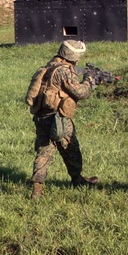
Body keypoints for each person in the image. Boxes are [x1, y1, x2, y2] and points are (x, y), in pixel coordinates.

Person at [25, 40, 100, 199]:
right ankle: (77, 180)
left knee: (43, 153)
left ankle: (37, 191)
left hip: (42, 117)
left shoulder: (47, 67)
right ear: (74, 55)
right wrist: (89, 81)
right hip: (58, 118)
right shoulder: (64, 71)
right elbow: (81, 93)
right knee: (71, 148)